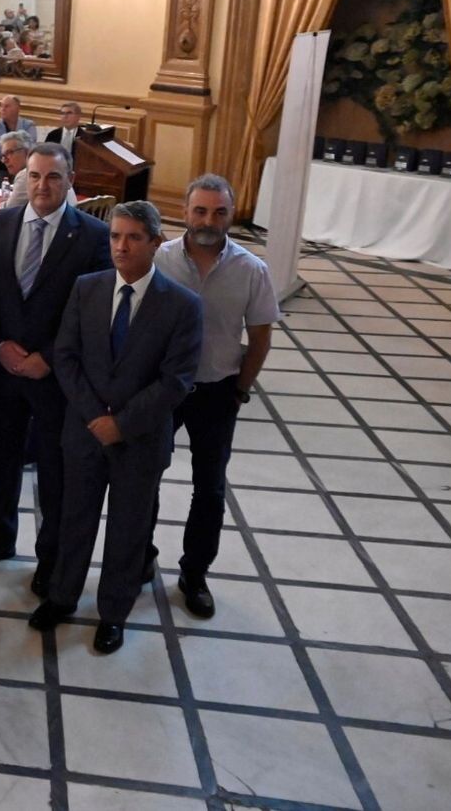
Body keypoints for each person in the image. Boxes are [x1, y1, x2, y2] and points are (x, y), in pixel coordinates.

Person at [29, 201, 203, 654]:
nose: (120, 247)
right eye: (114, 237)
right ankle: (63, 597)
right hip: (84, 432)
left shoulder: (182, 306)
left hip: (140, 439)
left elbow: (176, 381)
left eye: (132, 238)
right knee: (73, 518)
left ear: (155, 242)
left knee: (129, 529)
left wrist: (121, 425)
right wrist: (94, 418)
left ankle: (113, 613)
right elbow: (65, 357)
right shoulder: (87, 288)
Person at [0, 141, 111, 592]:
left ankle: (50, 555)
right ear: (23, 178)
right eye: (34, 176)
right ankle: (0, 538)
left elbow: (92, 311)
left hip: (55, 376)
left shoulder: (90, 236)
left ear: (69, 181)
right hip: (3, 371)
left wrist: (47, 357)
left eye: (52, 176)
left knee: (54, 469)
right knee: (1, 459)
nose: (42, 185)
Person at [148, 175, 279, 618]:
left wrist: (241, 387)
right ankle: (139, 556)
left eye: (219, 212)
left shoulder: (250, 269)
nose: (208, 220)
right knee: (146, 476)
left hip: (218, 390)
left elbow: (260, 337)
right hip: (164, 389)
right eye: (200, 210)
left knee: (209, 488)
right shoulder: (159, 259)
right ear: (184, 212)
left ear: (231, 214)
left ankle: (194, 573)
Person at [0, 94, 39, 169]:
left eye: (7, 106)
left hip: (22, 167)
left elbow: (31, 146)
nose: (3, 109)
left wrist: (8, 151)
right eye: (1, 106)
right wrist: (12, 151)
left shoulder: (28, 125)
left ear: (17, 108)